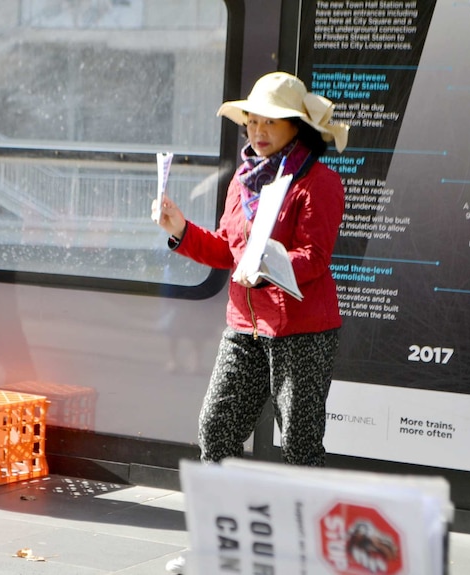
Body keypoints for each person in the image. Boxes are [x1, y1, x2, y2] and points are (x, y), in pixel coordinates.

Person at [152, 71, 349, 573]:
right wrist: (180, 231)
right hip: (244, 326)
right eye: (251, 122)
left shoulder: (319, 182)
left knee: (301, 446)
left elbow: (314, 257)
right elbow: (225, 249)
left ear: (296, 128)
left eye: (268, 122)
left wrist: (268, 267)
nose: (257, 131)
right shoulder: (244, 179)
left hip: (303, 333)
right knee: (215, 429)